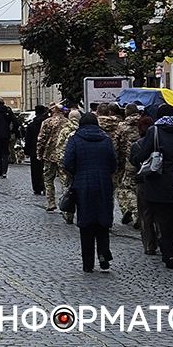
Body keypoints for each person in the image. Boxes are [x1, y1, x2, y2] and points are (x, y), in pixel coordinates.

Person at [130, 104, 173, 269]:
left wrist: (138, 159)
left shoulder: (155, 131)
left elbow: (143, 154)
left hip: (160, 181)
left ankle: (169, 255)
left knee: (163, 219)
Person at [63, 112, 117, 272]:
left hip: (82, 184)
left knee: (86, 223)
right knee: (102, 221)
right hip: (103, 184)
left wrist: (76, 173)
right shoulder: (106, 140)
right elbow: (113, 163)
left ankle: (88, 263)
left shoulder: (75, 139)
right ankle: (103, 253)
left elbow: (68, 162)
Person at [37, 105, 69, 212]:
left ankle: (51, 202)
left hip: (49, 154)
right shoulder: (67, 123)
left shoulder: (47, 122)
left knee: (48, 179)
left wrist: (39, 153)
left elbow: (41, 139)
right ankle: (65, 202)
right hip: (63, 154)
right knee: (64, 180)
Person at [24, 105, 47, 195]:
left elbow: (28, 139)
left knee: (35, 170)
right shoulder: (47, 123)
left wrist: (27, 150)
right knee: (45, 169)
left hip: (34, 150)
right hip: (45, 149)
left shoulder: (32, 125)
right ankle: (44, 185)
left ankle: (37, 187)